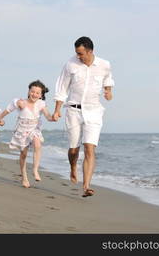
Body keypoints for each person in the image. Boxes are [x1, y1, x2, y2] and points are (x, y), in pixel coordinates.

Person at [52, 36, 114, 197]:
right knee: (74, 149)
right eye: (77, 53)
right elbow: (62, 88)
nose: (78, 56)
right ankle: (73, 167)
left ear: (90, 51)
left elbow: (108, 79)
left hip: (94, 111)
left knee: (89, 147)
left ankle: (86, 185)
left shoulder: (104, 65)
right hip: (73, 110)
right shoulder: (70, 64)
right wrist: (57, 109)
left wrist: (108, 91)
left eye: (81, 53)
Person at [0, 80, 54, 188]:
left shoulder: (41, 104)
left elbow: (48, 116)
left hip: (34, 129)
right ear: (28, 91)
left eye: (37, 93)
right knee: (24, 155)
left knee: (37, 143)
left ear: (40, 95)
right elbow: (6, 111)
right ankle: (24, 177)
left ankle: (35, 170)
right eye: (32, 91)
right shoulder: (20, 102)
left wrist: (53, 117)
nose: (34, 94)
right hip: (22, 131)